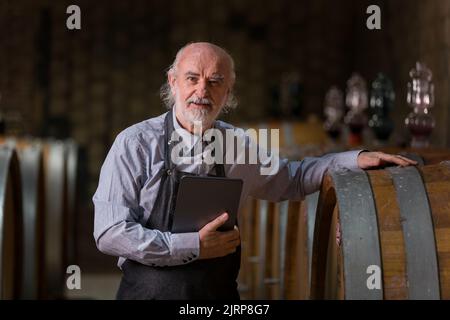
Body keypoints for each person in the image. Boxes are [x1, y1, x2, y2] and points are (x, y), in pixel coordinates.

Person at [93, 42, 416, 300]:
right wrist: (191, 246)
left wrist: (351, 159)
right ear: (173, 83)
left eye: (215, 81)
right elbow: (110, 233)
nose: (202, 91)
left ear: (228, 92)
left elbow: (291, 180)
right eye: (192, 78)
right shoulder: (134, 143)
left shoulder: (236, 144)